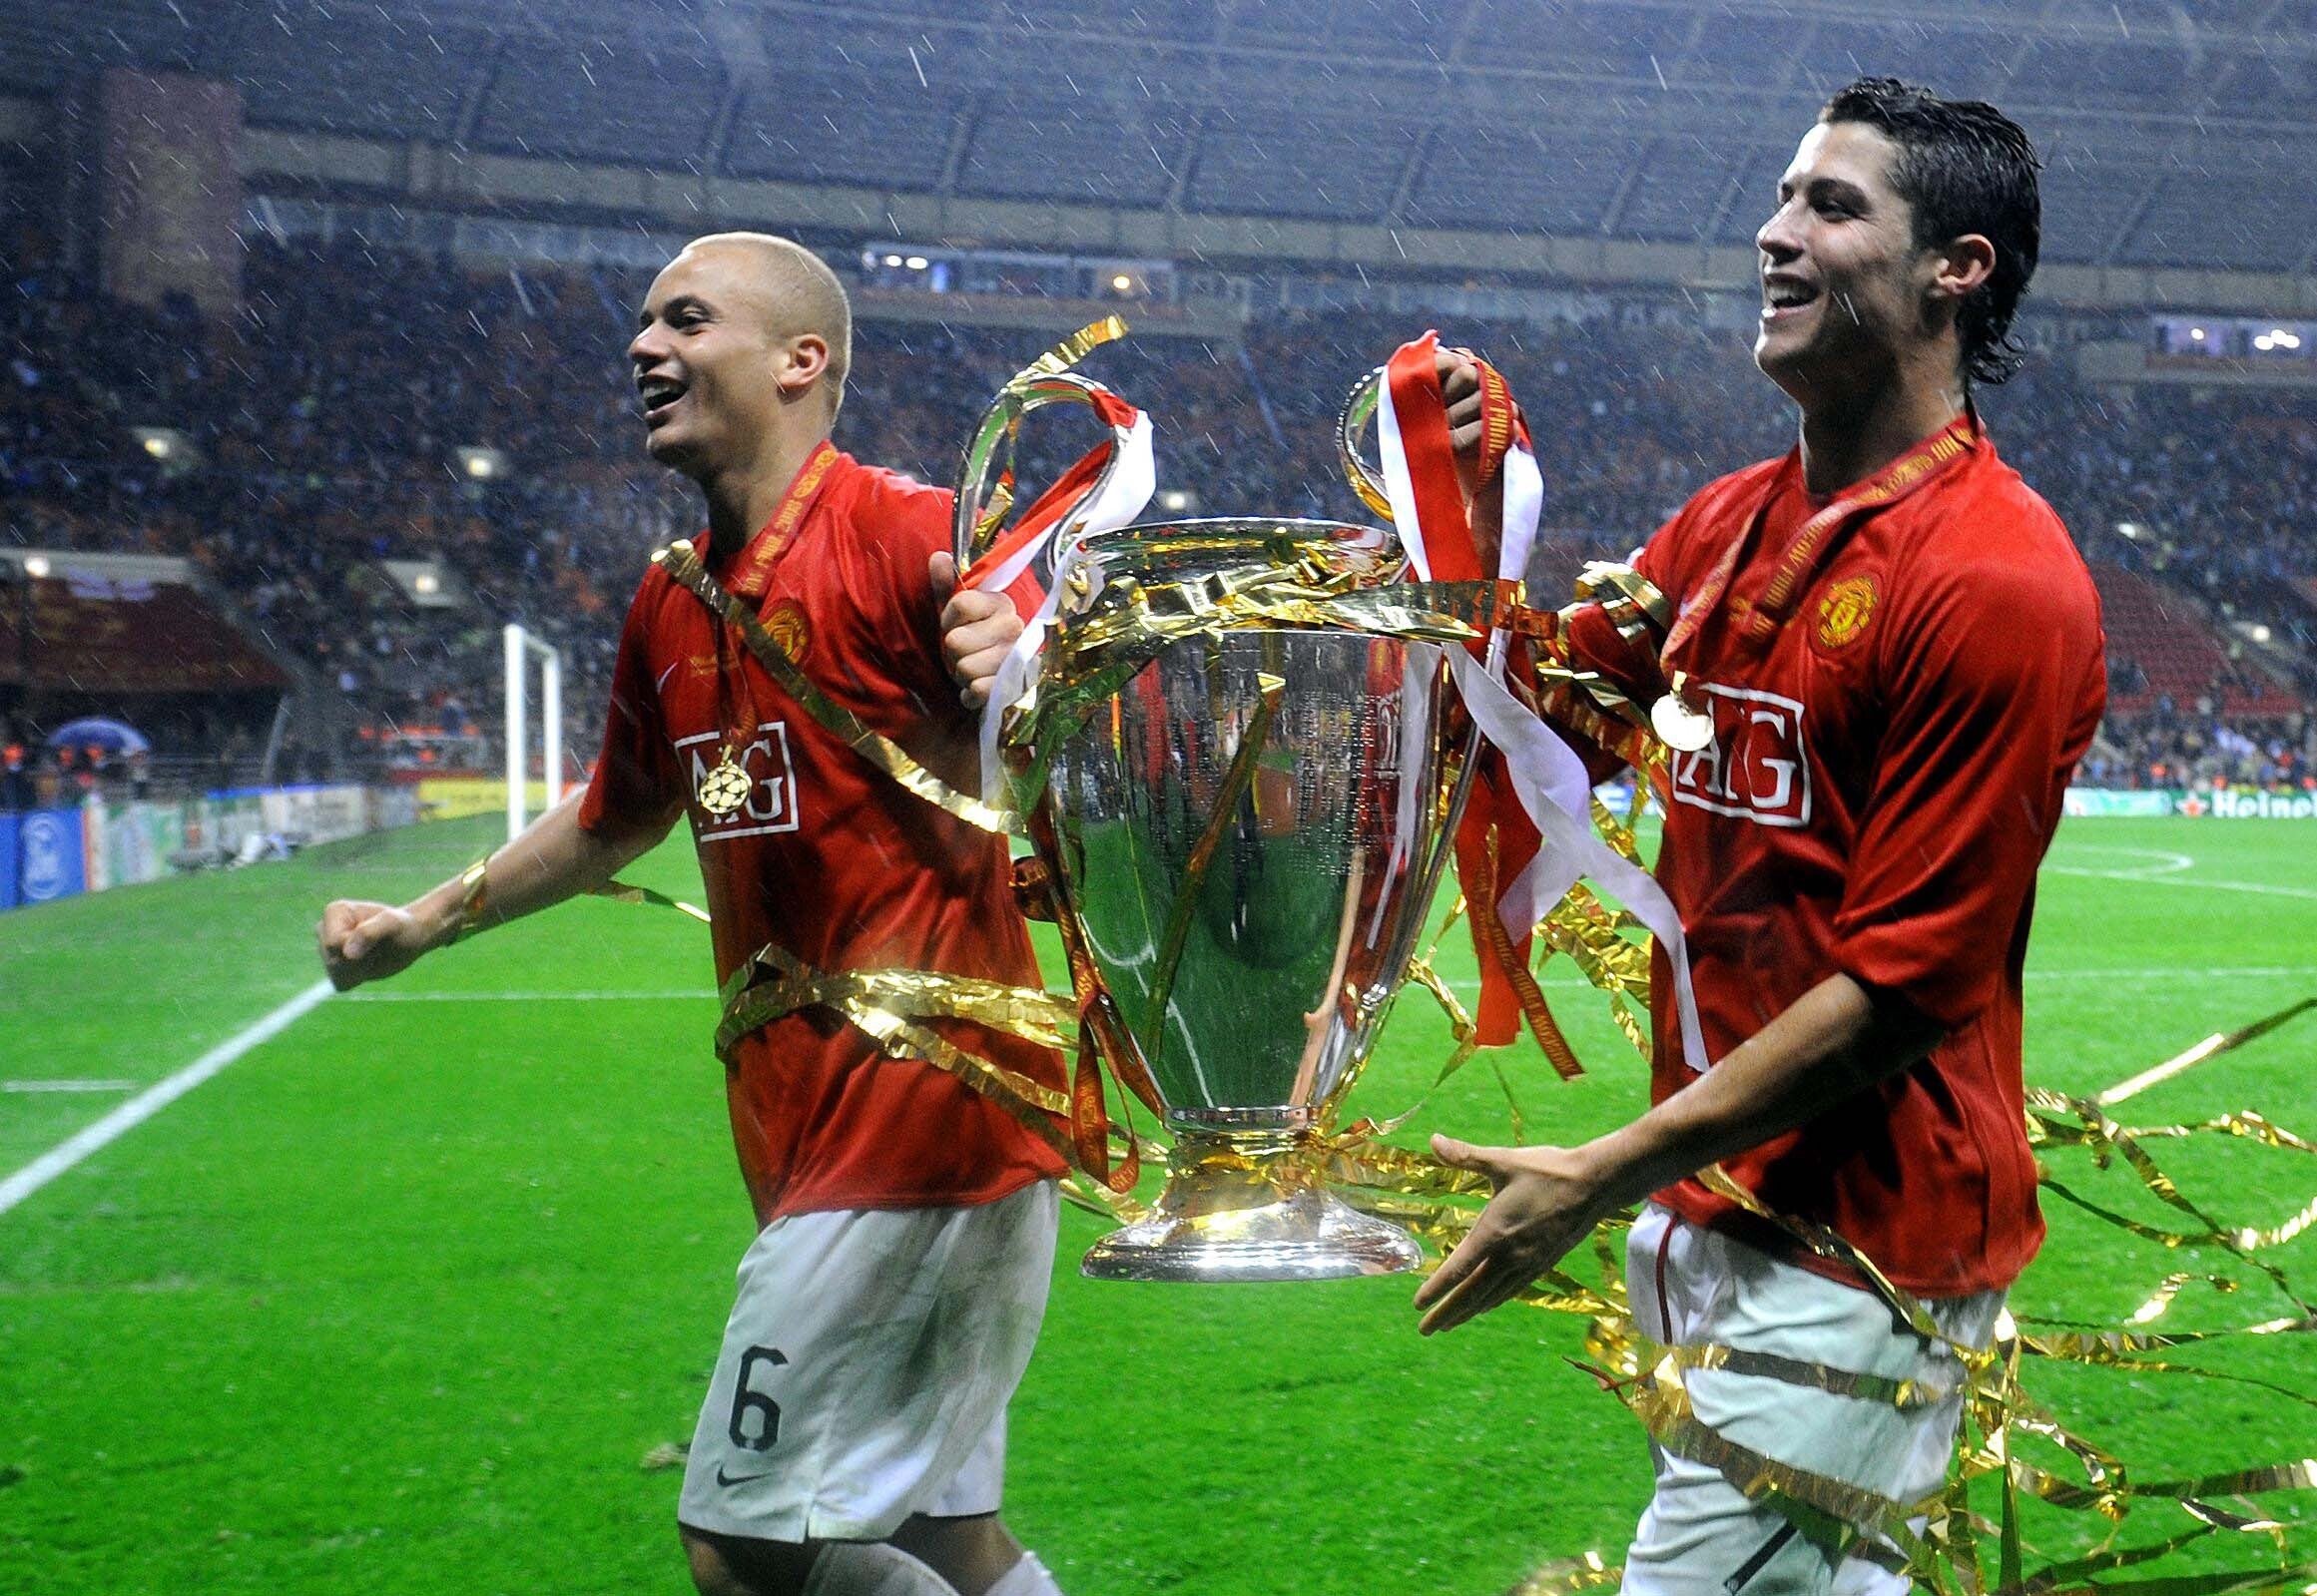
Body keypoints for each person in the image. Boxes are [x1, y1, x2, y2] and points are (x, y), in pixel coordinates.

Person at [1410, 80, 2106, 1594]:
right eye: (1785, 198)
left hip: (1862, 1244)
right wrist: (1466, 520)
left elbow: (1906, 989)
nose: (1772, 233)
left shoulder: (1996, 579)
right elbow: (1543, 729)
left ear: (1955, 269)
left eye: (1830, 206)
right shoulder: (1721, 524)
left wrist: (1600, 1168)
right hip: (1710, 1200)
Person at [317, 233, 1069, 1596]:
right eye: (642, 327)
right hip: (812, 1130)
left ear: (800, 362)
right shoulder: (673, 599)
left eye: (685, 320)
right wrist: (423, 921)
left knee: (741, 1548)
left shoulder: (909, 532)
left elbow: (1047, 659)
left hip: (925, 1116)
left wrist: (1029, 661)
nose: (642, 349)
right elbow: (617, 814)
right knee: (936, 1539)